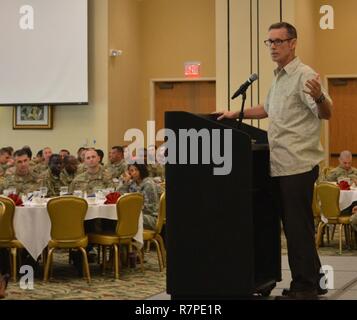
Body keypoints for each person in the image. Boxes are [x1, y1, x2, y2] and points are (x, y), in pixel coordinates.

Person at [216, 22, 332, 299]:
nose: (273, 47)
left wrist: (318, 97)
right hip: (279, 163)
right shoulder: (279, 77)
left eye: (279, 41)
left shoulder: (304, 75)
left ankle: (304, 288)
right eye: (269, 42)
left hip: (297, 164)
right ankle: (313, 279)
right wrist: (235, 114)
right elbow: (268, 109)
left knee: (297, 229)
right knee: (297, 226)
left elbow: (326, 112)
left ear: (293, 43)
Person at [119, 163, 159, 230]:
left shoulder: (148, 184)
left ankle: (127, 239)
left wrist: (132, 210)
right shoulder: (133, 183)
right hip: (136, 213)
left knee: (126, 218)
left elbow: (150, 208)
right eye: (131, 171)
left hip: (150, 217)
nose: (134, 173)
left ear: (142, 170)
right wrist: (125, 182)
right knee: (118, 217)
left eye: (136, 170)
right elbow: (119, 195)